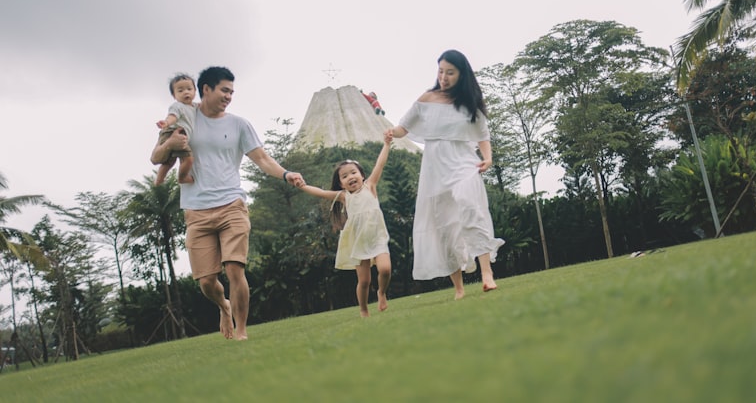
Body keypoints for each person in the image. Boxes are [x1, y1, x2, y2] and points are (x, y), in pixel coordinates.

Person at [150, 66, 305, 340]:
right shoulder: (185, 116)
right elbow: (157, 156)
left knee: (235, 268)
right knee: (207, 282)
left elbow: (262, 159)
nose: (229, 96)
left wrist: (285, 173)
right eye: (224, 90)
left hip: (232, 204)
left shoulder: (239, 124)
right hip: (196, 210)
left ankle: (242, 331)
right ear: (206, 89)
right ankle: (224, 305)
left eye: (231, 92)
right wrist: (171, 141)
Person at [385, 49, 504, 299]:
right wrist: (390, 132)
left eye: (450, 72)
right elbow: (403, 128)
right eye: (441, 71)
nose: (444, 77)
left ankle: (487, 274)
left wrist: (488, 158)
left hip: (463, 164)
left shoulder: (469, 102)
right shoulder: (426, 99)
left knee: (471, 209)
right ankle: (459, 288)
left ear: (461, 74)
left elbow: (482, 135)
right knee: (445, 226)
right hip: (435, 169)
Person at [298, 133, 393, 317]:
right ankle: (364, 309)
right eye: (344, 176)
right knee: (364, 281)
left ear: (362, 175)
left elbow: (380, 164)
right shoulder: (344, 197)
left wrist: (387, 144)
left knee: (385, 269)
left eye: (353, 173)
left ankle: (381, 292)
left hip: (377, 237)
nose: (350, 177)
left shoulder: (370, 186)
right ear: (341, 183)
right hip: (358, 241)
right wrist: (302, 186)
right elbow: (320, 192)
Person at [154, 73, 197, 186]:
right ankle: (182, 177)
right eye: (180, 90)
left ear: (195, 91)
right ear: (174, 95)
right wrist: (166, 122)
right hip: (173, 133)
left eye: (189, 89)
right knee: (188, 159)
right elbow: (173, 116)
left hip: (180, 134)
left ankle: (159, 180)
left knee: (170, 161)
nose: (186, 92)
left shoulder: (195, 107)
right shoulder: (178, 106)